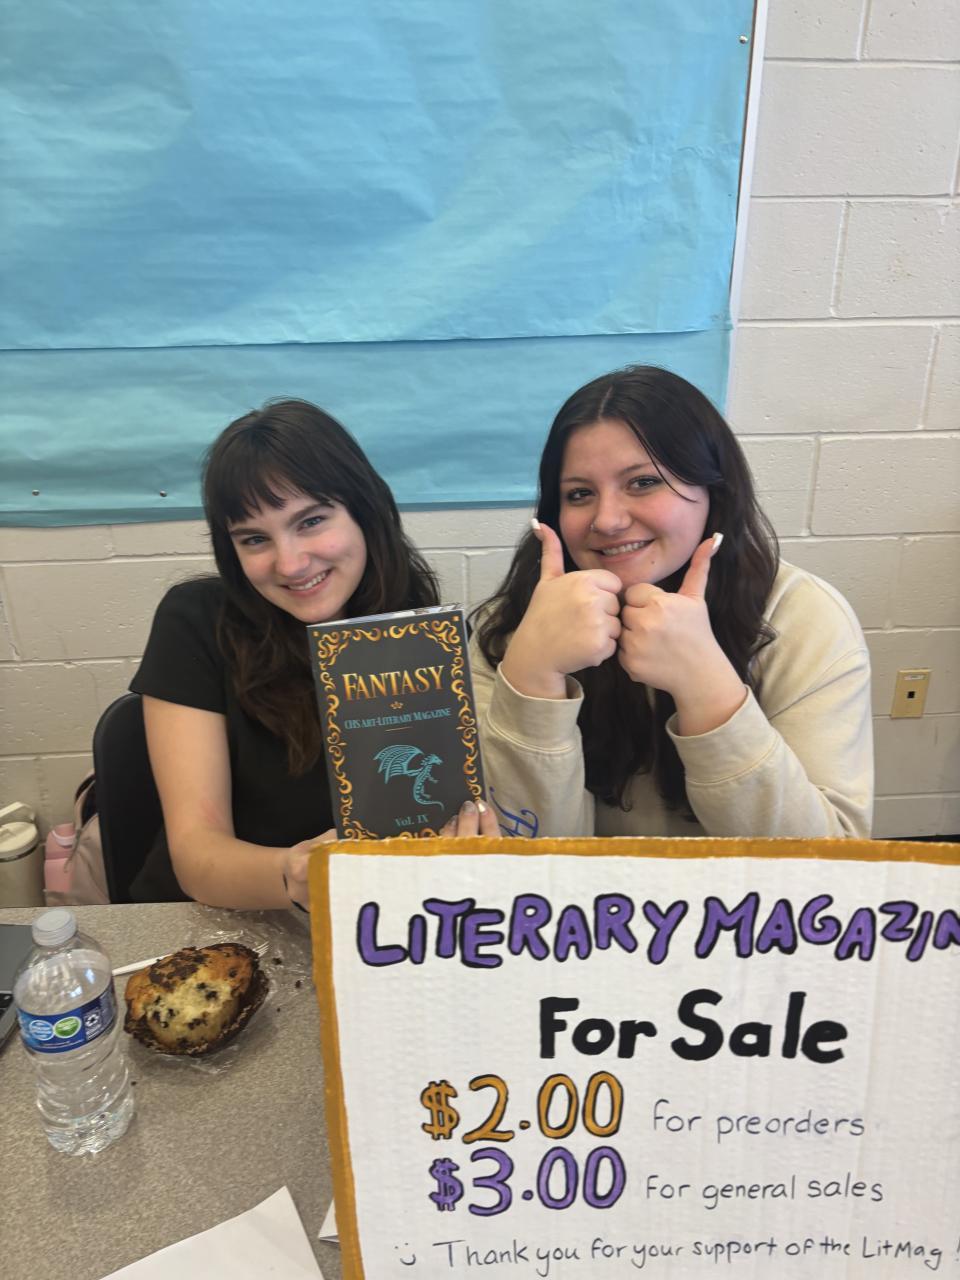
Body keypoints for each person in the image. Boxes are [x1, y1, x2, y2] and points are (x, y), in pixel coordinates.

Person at [471, 366, 873, 840]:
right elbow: (518, 851)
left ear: (713, 489)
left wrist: (707, 688)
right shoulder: (512, 625)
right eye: (579, 494)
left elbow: (829, 859)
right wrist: (533, 681)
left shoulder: (803, 617)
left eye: (642, 482)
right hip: (573, 890)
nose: (608, 520)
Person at [130, 400, 497, 909]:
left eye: (311, 521)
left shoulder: (425, 635)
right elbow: (197, 854)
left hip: (371, 914)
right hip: (220, 919)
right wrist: (295, 876)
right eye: (254, 539)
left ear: (365, 511)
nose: (290, 563)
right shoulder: (195, 621)